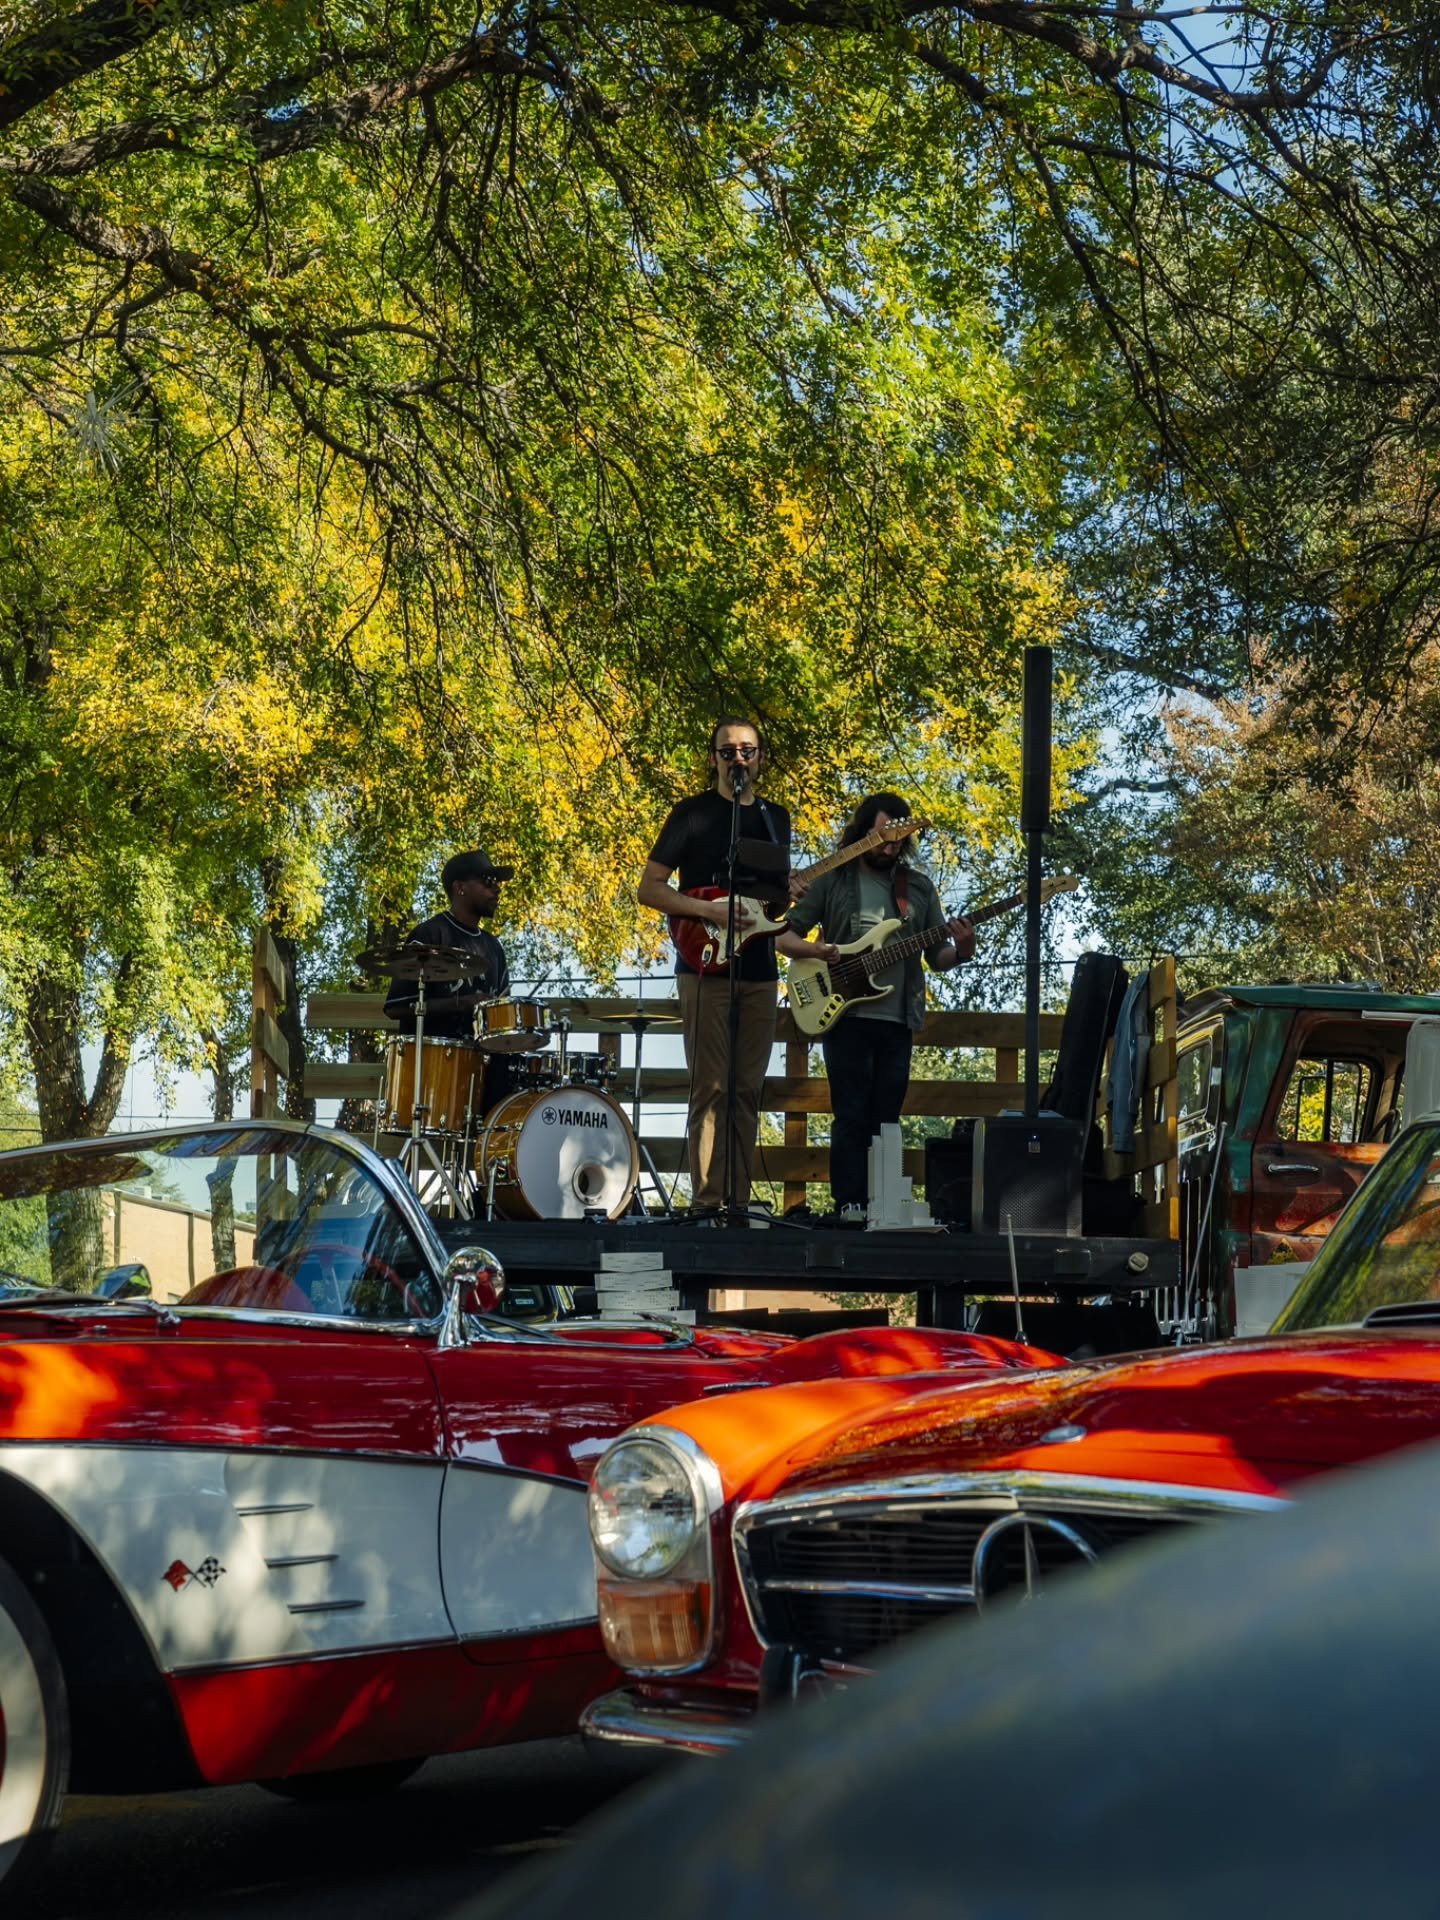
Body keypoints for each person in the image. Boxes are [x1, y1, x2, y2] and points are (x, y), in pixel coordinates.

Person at [777, 794, 975, 1219]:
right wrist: (822, 951)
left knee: (887, 1115)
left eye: (897, 841)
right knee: (850, 1113)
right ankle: (849, 1202)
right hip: (843, 1012)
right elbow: (782, 935)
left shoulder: (918, 888)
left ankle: (884, 1203)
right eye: (881, 837)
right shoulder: (833, 879)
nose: (888, 847)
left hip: (897, 1018)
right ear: (863, 832)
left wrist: (963, 949)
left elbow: (936, 957)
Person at [638, 719, 801, 1214]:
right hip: (703, 963)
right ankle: (706, 1204)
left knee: (747, 1088)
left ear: (761, 759)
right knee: (710, 1086)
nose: (738, 759)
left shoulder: (777, 818)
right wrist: (707, 910)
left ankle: (737, 1203)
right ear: (713, 759)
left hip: (759, 969)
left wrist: (787, 893)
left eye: (747, 751)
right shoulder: (691, 815)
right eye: (727, 751)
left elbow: (768, 906)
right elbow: (650, 889)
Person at [384, 847, 514, 1044]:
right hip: (432, 1063)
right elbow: (396, 1007)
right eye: (488, 882)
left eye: (497, 883)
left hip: (481, 1063)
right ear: (460, 887)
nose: (497, 889)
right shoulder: (429, 934)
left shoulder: (494, 947)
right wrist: (461, 1004)